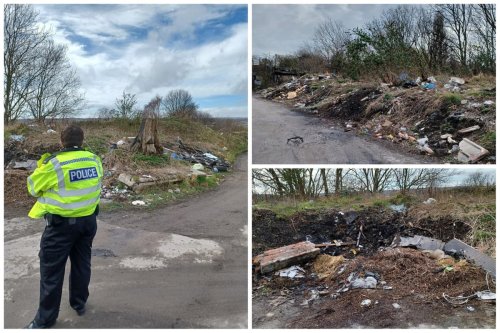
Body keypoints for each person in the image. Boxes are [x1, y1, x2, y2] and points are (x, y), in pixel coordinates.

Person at [25, 125, 103, 329]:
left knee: (51, 272)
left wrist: (41, 167)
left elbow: (33, 188)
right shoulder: (94, 159)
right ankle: (79, 303)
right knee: (82, 264)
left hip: (61, 227)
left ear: (61, 141)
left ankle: (45, 320)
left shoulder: (54, 163)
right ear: (82, 140)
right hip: (88, 222)